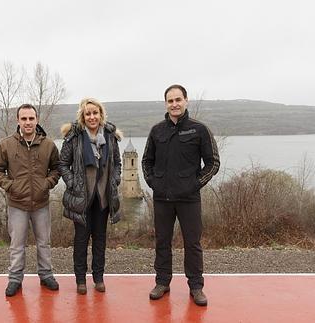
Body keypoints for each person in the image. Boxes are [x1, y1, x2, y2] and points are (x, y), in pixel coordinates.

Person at [142, 84, 220, 306]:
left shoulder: (199, 129)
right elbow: (147, 160)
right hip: (162, 198)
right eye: (170, 100)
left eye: (178, 100)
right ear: (165, 104)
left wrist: (195, 184)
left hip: (189, 199)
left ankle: (196, 286)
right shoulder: (157, 130)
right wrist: (153, 183)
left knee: (192, 244)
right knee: (162, 241)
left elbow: (213, 163)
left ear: (186, 101)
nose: (174, 104)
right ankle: (162, 282)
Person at [0, 103, 60, 297]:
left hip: (41, 204)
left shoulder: (48, 145)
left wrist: (46, 184)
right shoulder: (6, 144)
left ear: (37, 120)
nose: (28, 122)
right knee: (17, 244)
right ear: (18, 121)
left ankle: (46, 275)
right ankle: (15, 279)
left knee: (44, 242)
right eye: (24, 119)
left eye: (31, 118)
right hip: (17, 204)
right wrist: (10, 186)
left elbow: (57, 169)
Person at [59, 98, 123, 295]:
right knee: (81, 240)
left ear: (101, 114)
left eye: (95, 113)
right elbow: (63, 164)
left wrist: (115, 180)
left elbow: (117, 163)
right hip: (81, 198)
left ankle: (98, 277)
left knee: (100, 239)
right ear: (83, 116)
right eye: (88, 113)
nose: (92, 117)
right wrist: (72, 183)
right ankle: (80, 280)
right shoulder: (74, 137)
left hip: (103, 198)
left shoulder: (110, 137)